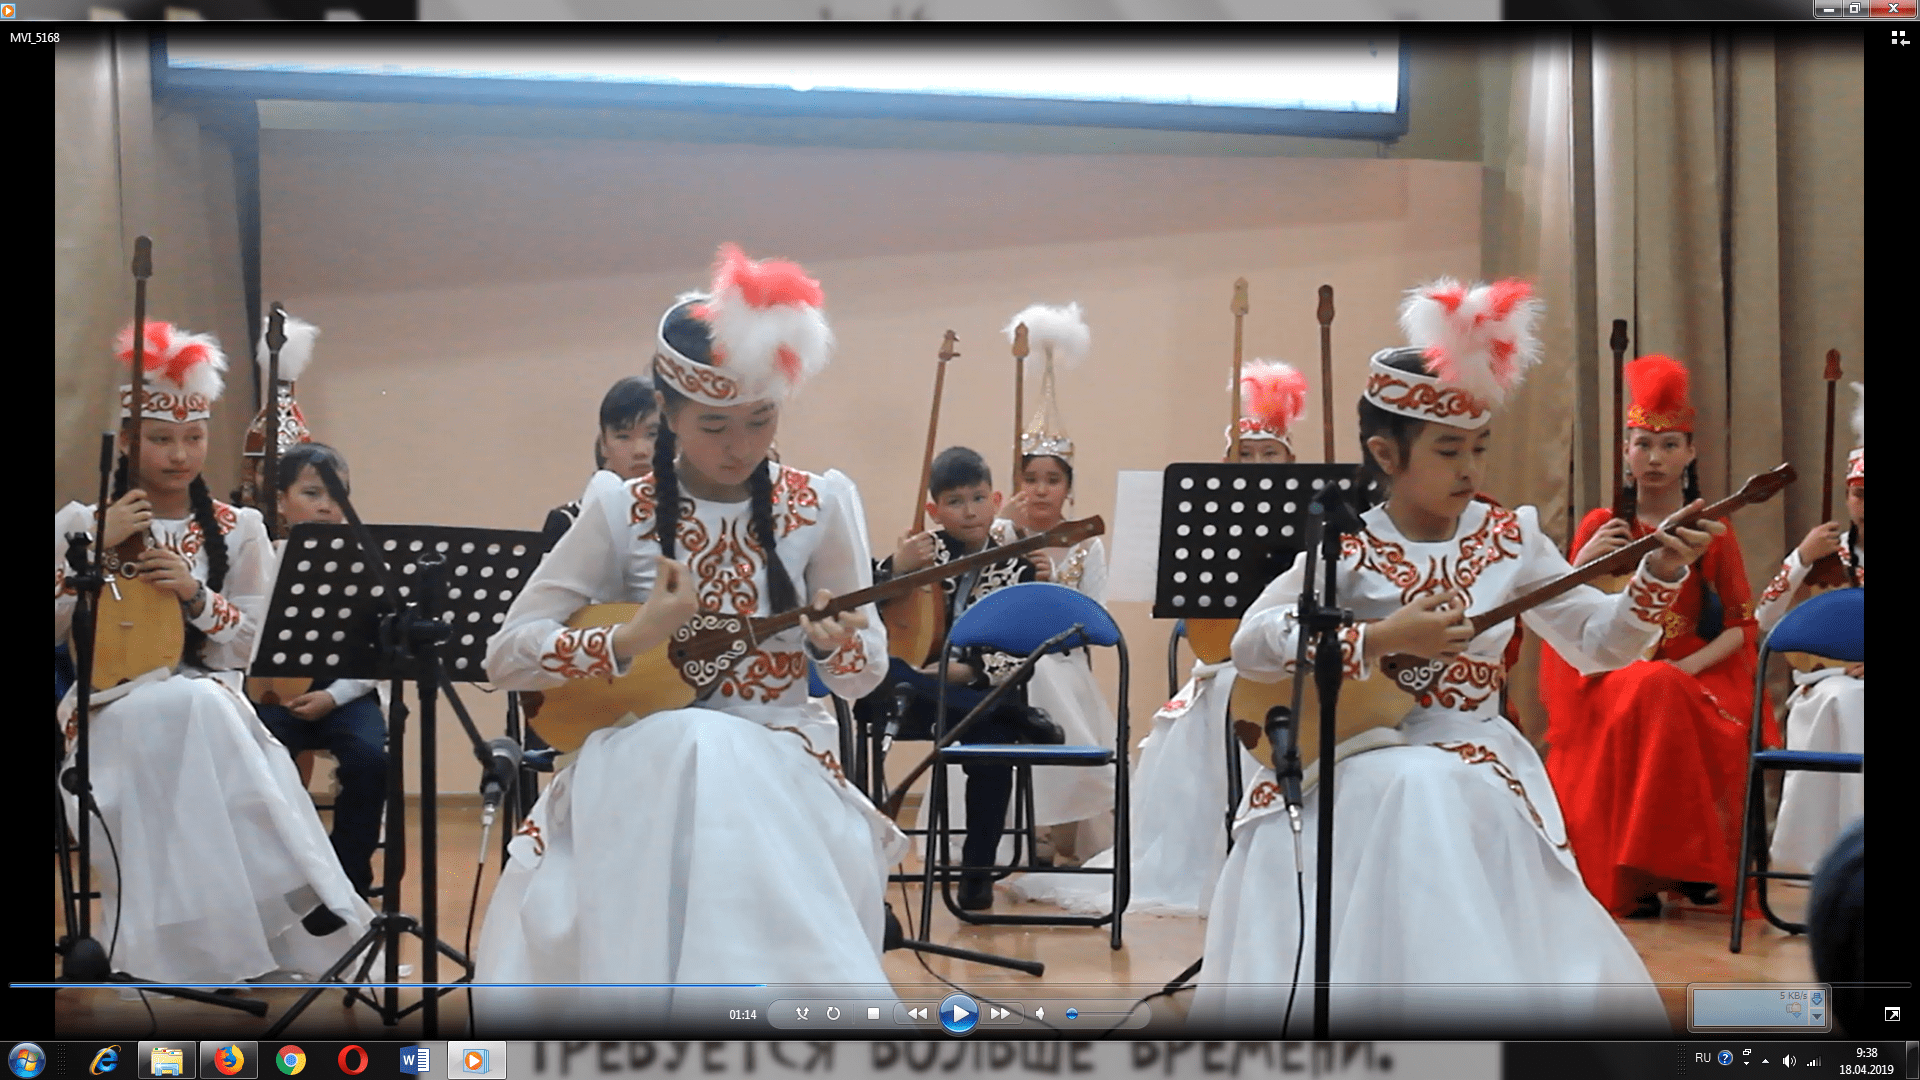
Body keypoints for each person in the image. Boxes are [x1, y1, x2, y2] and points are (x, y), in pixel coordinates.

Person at [1191, 278, 1711, 1036]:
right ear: (1385, 454)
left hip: (1475, 749)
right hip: (1360, 745)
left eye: (1479, 448)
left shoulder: (1510, 538)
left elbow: (1600, 644)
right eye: (1448, 450)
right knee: (1409, 785)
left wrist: (1658, 575)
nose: (1470, 468)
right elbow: (1252, 643)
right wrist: (1378, 639)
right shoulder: (1350, 543)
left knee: (1432, 785)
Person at [474, 245, 907, 1031]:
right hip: (640, 749)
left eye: (760, 421)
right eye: (713, 426)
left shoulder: (820, 505)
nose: (740, 445)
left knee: (714, 751)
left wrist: (827, 645)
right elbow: (505, 655)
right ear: (667, 415)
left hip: (780, 747)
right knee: (696, 743)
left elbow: (863, 676)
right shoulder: (619, 508)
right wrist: (629, 638)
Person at [54, 321, 372, 987]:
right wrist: (94, 553)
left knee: (201, 701)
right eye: (161, 439)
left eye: (194, 438)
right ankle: (271, 898)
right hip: (110, 708)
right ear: (128, 441)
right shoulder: (80, 523)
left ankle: (238, 930)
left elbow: (252, 643)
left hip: (215, 704)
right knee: (197, 708)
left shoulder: (240, 527)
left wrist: (196, 595)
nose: (180, 454)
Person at [1008, 360, 1307, 915]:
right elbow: (1205, 634)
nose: (1258, 467)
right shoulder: (1210, 520)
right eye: (1245, 456)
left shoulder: (1314, 522)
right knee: (1210, 706)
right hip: (1226, 663)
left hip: (1297, 667)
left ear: (1290, 462)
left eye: (1270, 455)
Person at [1539, 354, 1771, 919]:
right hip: (1610, 670)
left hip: (1695, 667)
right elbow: (1566, 618)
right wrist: (1582, 565)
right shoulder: (1602, 525)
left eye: (1669, 446)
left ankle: (1668, 866)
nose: (1655, 458)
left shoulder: (1713, 529)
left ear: (1690, 453)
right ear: (1626, 452)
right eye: (1642, 444)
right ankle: (1654, 869)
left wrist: (1682, 670)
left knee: (1664, 691)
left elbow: (1743, 626)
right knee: (1649, 691)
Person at [866, 446, 1063, 911]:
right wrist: (896, 568)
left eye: (977, 499)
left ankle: (976, 877)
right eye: (954, 502)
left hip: (972, 694)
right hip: (913, 698)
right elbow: (866, 611)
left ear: (995, 501)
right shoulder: (920, 552)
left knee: (990, 739)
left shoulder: (1018, 563)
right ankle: (1016, 716)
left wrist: (968, 670)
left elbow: (1024, 652)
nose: (969, 511)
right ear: (934, 510)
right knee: (891, 675)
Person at [985, 301, 1119, 867]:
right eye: (1031, 478)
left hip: (1065, 664)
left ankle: (1058, 828)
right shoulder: (998, 534)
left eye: (1052, 480)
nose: (1041, 490)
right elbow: (977, 605)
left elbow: (1096, 620)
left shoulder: (1086, 543)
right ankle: (1017, 832)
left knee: (1048, 678)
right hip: (1000, 665)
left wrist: (1052, 597)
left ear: (1068, 487)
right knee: (1026, 678)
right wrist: (1008, 551)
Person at [251, 441, 389, 899]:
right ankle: (279, 883)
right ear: (280, 500)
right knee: (258, 764)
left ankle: (346, 884)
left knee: (369, 759)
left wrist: (334, 696)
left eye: (338, 495)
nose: (328, 506)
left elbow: (379, 653)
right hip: (273, 694)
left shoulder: (366, 563)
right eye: (312, 493)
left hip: (344, 692)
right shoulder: (262, 560)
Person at [1754, 382, 1863, 875]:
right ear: (1848, 495)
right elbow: (1764, 618)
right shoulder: (1825, 557)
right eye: (1860, 494)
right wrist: (1800, 558)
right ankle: (1816, 854)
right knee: (1841, 700)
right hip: (1825, 682)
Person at [542, 375, 661, 550]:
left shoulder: (693, 518)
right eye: (623, 437)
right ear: (604, 445)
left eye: (652, 435)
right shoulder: (569, 521)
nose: (640, 451)